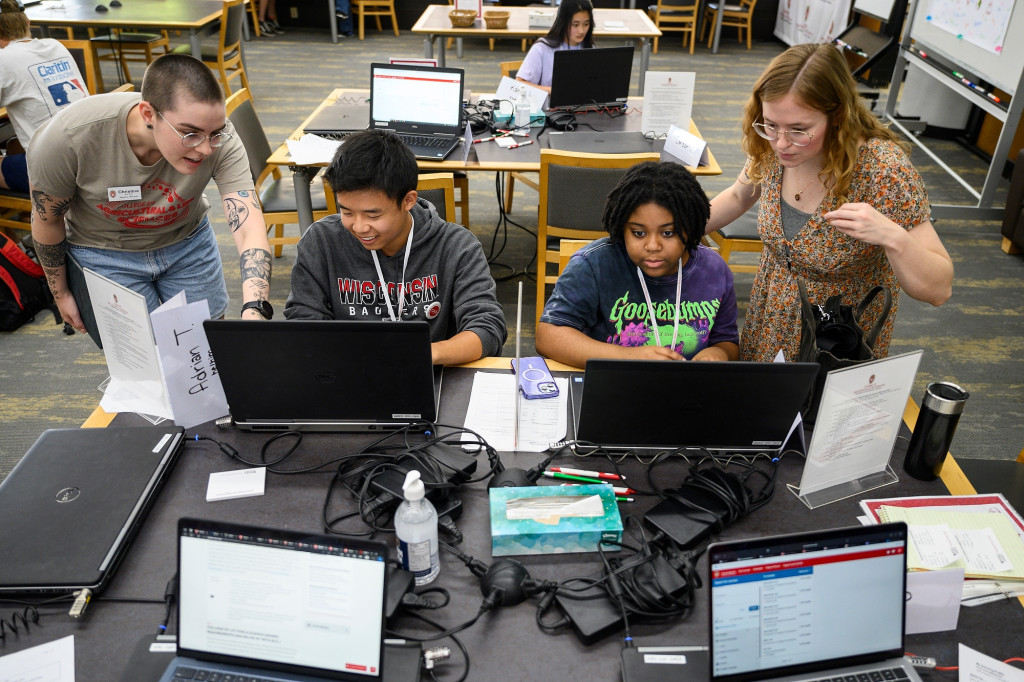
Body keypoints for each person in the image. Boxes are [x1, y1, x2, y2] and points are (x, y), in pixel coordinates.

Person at [705, 43, 953, 363]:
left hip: (834, 342)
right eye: (771, 124)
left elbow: (939, 290)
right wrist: (675, 230)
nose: (781, 143)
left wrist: (892, 236)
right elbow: (739, 195)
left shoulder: (882, 170)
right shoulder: (773, 146)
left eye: (799, 130)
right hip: (770, 320)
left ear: (837, 116)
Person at [29, 53, 273, 337]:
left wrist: (256, 307)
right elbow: (47, 220)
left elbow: (248, 227)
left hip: (186, 242)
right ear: (148, 114)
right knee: (139, 361)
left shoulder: (219, 137)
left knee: (204, 350)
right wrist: (61, 294)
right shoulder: (70, 138)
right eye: (189, 134)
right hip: (105, 251)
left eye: (214, 134)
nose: (206, 148)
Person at [284, 129, 507, 366]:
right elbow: (303, 321)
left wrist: (424, 354)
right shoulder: (321, 242)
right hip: (345, 370)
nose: (359, 227)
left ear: (408, 200)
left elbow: (487, 328)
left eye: (373, 214)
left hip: (429, 373)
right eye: (346, 212)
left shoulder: (456, 246)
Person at [536, 161, 739, 369]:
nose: (652, 246)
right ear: (621, 227)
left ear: (691, 227)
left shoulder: (715, 270)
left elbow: (727, 341)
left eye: (668, 233)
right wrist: (629, 357)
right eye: (638, 233)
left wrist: (718, 352)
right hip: (611, 386)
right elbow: (549, 336)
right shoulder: (594, 265)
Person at [0, 0, 87, 193]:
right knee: (14, 145)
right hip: (89, 153)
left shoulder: (3, 59)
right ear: (28, 23)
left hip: (54, 169)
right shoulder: (56, 45)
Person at [516, 0, 594, 92]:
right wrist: (553, 91)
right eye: (575, 25)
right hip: (547, 105)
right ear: (563, 22)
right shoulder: (542, 48)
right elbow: (519, 84)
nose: (581, 30)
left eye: (586, 24)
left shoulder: (590, 48)